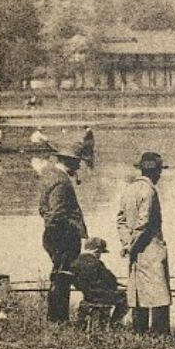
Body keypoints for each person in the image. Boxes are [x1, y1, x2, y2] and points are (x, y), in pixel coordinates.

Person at [117, 150, 172, 334]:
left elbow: (121, 221)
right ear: (155, 172)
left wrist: (127, 244)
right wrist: (132, 245)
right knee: (159, 296)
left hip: (135, 252)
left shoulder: (128, 190)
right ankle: (160, 336)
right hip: (151, 250)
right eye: (159, 171)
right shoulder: (149, 191)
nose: (160, 175)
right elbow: (144, 223)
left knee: (138, 293)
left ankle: (139, 332)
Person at [38, 140, 89, 323]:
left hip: (54, 235)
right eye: (78, 162)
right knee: (62, 277)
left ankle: (56, 318)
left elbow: (44, 209)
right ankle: (58, 319)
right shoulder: (61, 182)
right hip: (62, 236)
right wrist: (66, 233)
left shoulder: (49, 175)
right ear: (70, 161)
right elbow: (56, 213)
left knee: (59, 275)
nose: (79, 166)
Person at [70, 237, 127, 327]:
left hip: (87, 295)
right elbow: (111, 279)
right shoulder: (97, 263)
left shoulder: (75, 263)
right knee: (125, 297)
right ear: (97, 250)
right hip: (100, 295)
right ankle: (114, 324)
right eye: (100, 252)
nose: (100, 255)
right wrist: (116, 285)